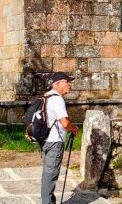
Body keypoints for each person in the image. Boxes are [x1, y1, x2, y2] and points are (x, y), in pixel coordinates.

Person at [40, 72, 79, 204]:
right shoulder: (57, 99)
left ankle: (49, 200)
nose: (69, 84)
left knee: (47, 173)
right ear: (57, 84)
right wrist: (73, 128)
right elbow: (65, 123)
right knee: (51, 175)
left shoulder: (46, 96)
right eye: (66, 81)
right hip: (54, 141)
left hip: (45, 139)